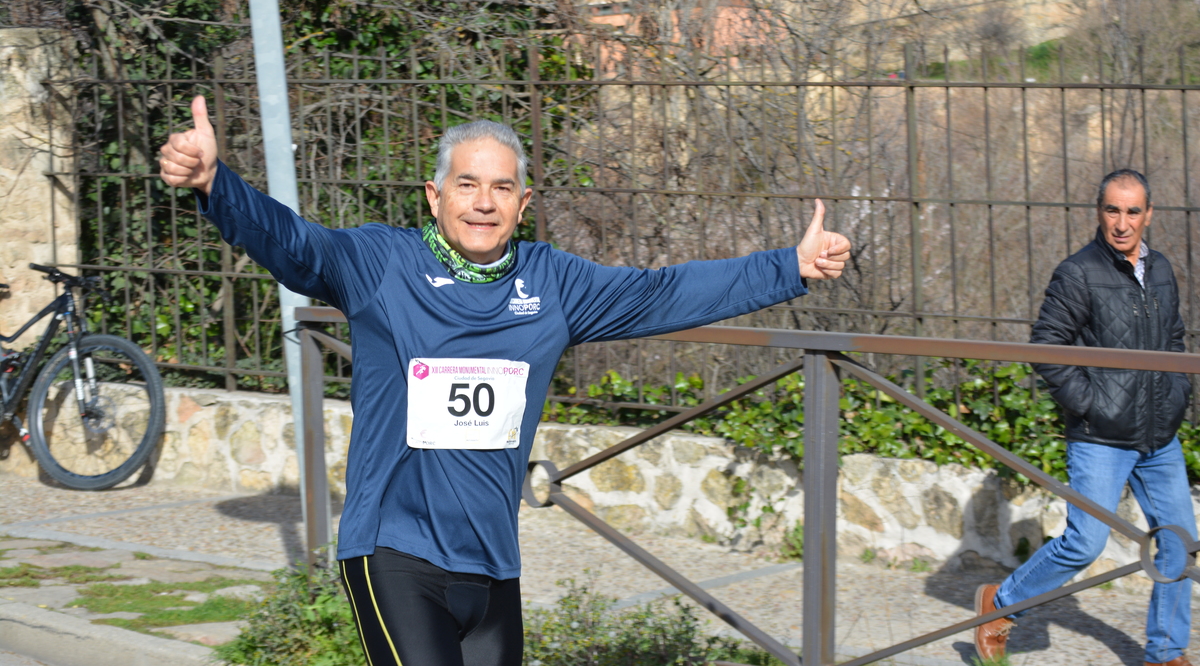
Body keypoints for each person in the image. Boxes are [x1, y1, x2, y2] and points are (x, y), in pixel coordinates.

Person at [159, 96, 852, 666]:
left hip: (493, 566)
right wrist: (217, 186)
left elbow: (664, 293)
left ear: (525, 202)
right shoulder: (380, 264)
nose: (483, 203)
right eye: (467, 184)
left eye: (501, 187)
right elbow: (295, 244)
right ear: (434, 196)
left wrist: (789, 266)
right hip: (395, 552)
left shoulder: (553, 282)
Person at [974, 169, 1197, 666]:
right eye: (1112, 210)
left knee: (1180, 542)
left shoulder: (1160, 268)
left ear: (1148, 215)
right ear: (1099, 212)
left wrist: (1178, 393)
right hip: (1101, 436)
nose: (1122, 223)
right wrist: (1094, 404)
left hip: (1159, 436)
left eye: (1132, 211)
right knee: (1085, 543)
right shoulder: (1078, 271)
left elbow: (1175, 340)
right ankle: (1001, 604)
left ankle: (1166, 653)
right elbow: (1046, 348)